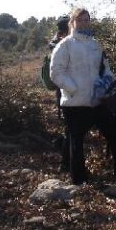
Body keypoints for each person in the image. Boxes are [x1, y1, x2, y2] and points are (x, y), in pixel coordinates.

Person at [50, 7, 116, 184]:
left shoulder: (95, 44)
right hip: (74, 103)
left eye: (86, 20)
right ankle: (79, 179)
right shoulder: (65, 45)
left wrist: (105, 85)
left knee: (114, 133)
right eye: (80, 20)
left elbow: (106, 69)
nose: (83, 23)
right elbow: (56, 72)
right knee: (76, 142)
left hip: (97, 101)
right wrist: (73, 89)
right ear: (72, 22)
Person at [48, 15, 71, 171]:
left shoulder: (55, 42)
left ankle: (66, 161)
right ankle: (65, 163)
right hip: (66, 92)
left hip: (63, 91)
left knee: (69, 128)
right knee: (70, 128)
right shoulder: (60, 44)